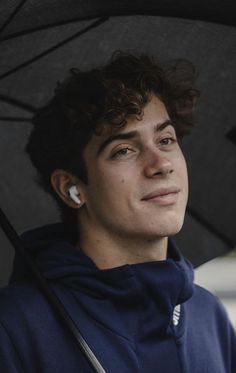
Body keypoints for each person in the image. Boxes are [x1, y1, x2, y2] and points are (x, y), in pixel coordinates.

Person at [0, 51, 235, 373]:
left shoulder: (208, 314)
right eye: (124, 150)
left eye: (166, 139)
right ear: (72, 187)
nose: (161, 164)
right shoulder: (15, 326)